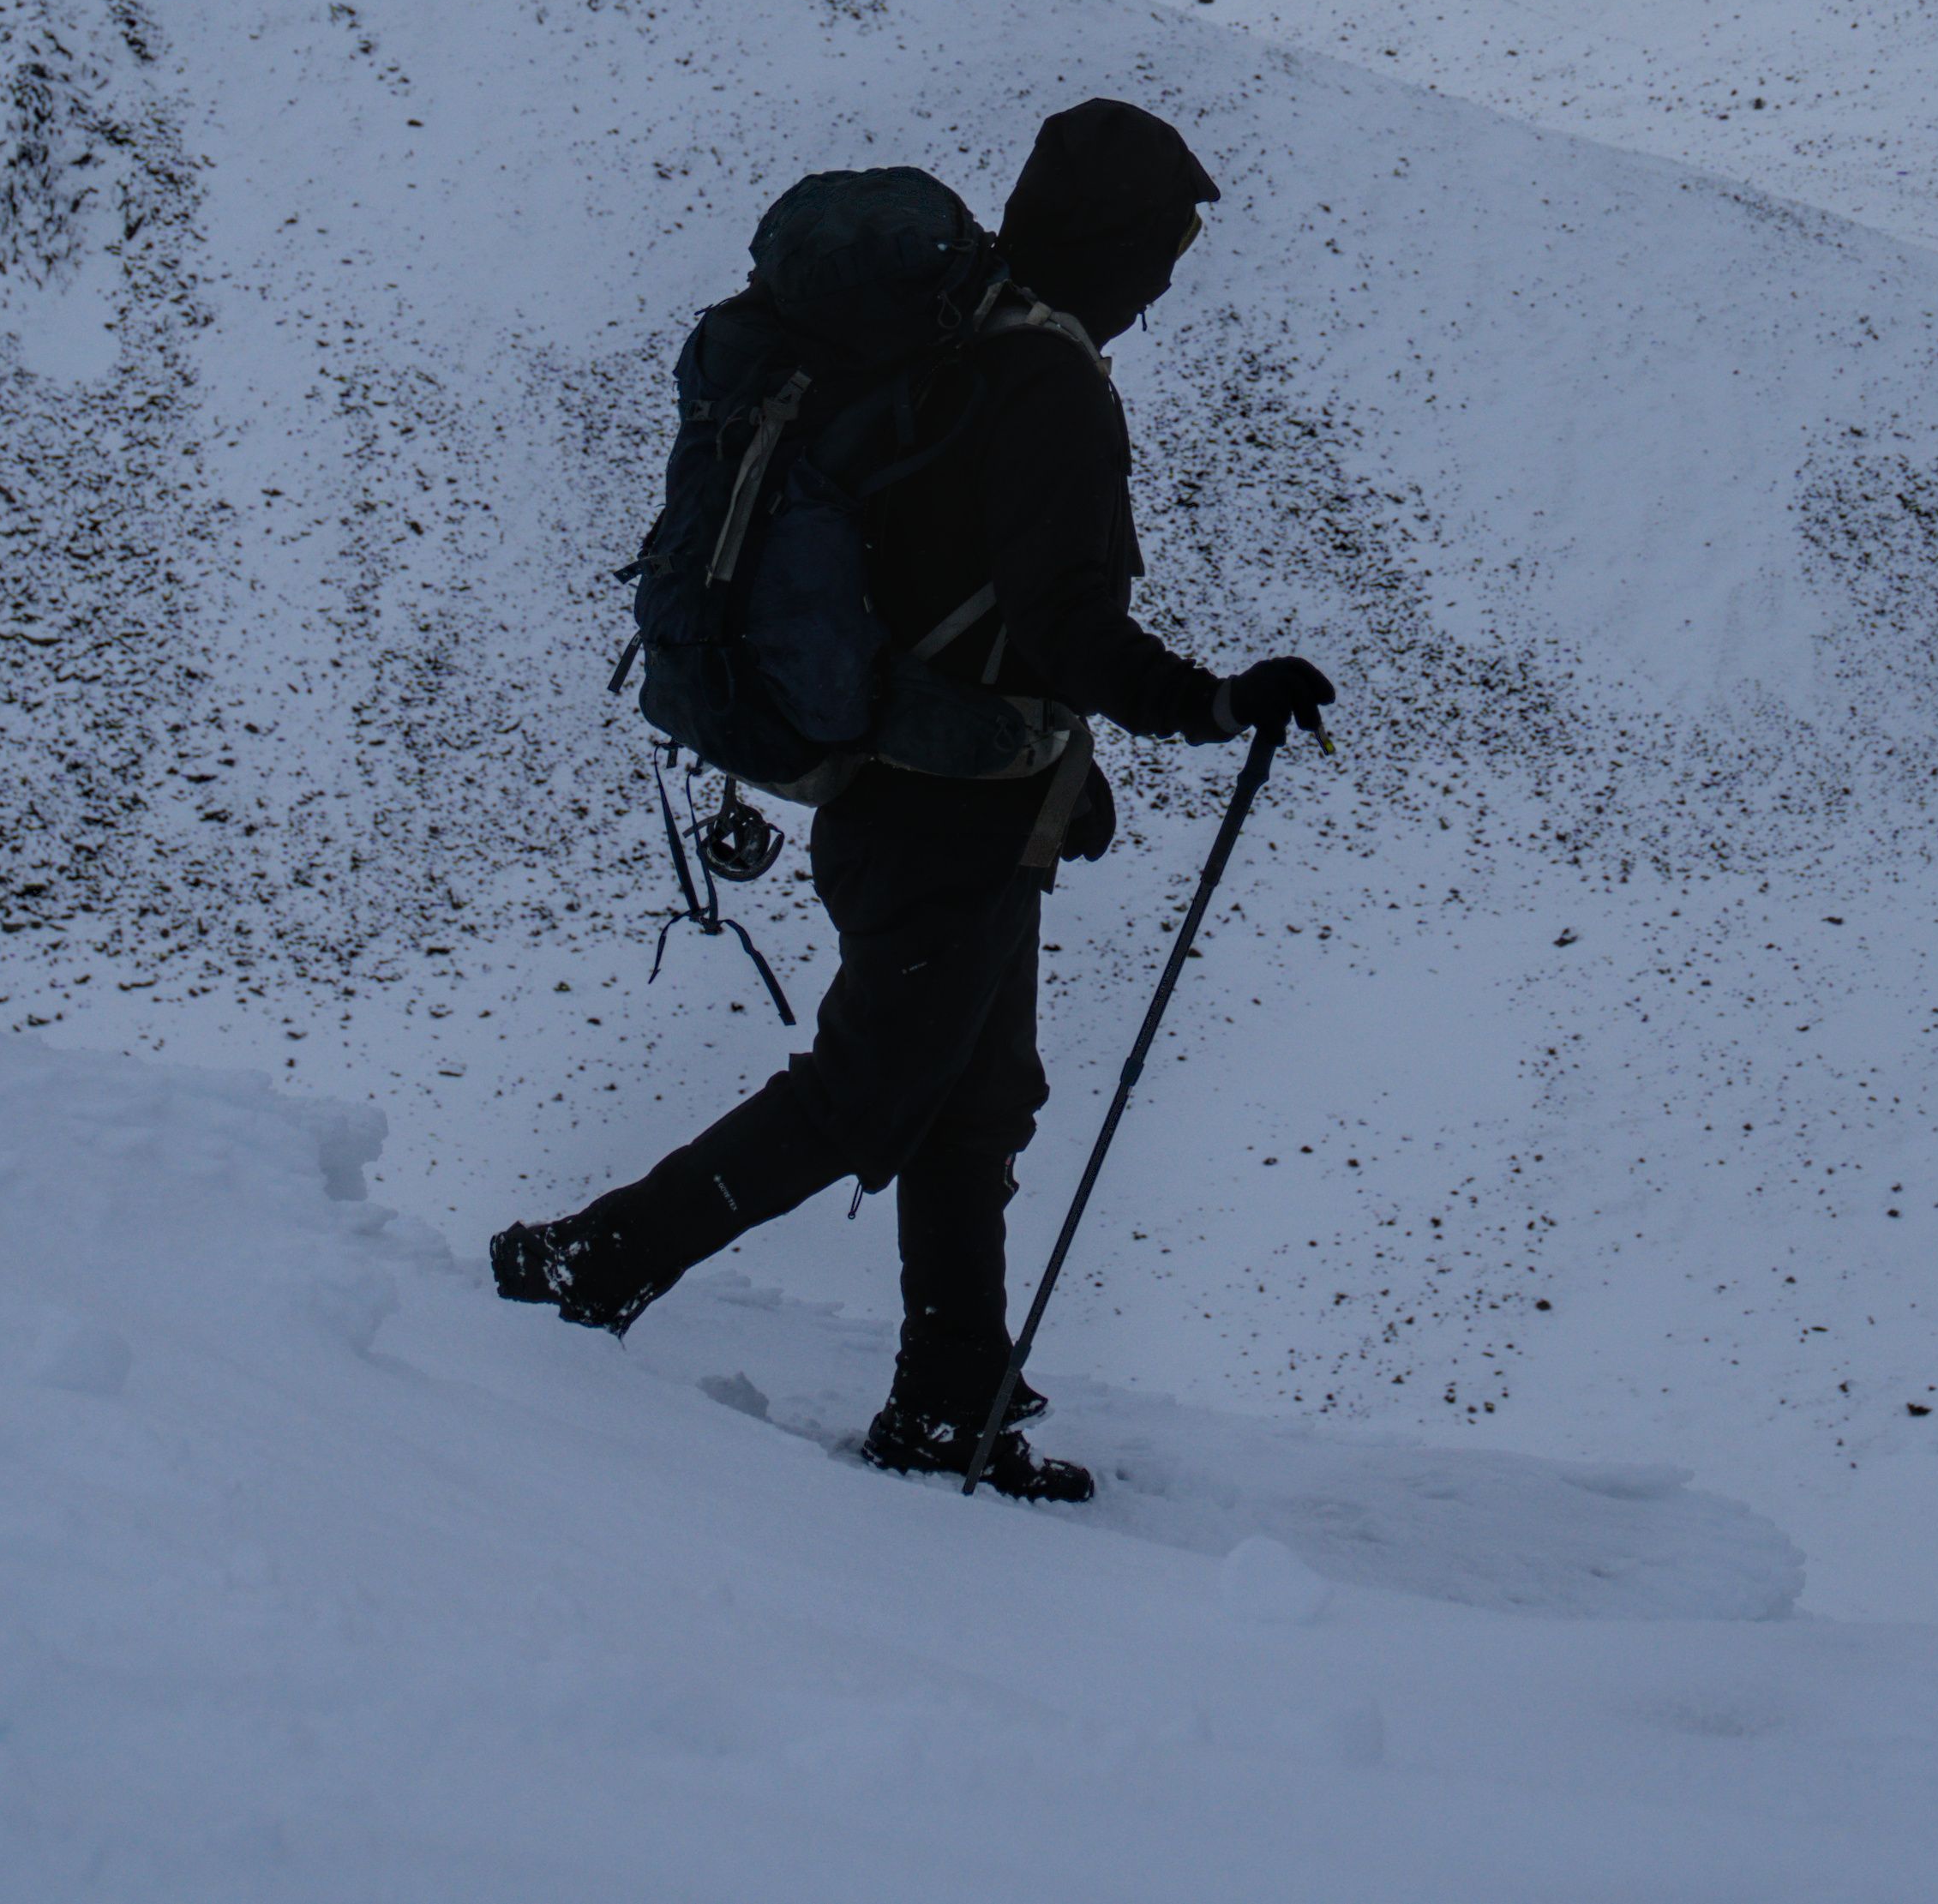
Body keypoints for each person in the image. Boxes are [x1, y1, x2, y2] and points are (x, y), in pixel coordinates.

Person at [490, 97, 1337, 1499]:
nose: (1162, 283)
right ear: (1112, 242)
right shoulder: (1042, 379)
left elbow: (968, 596)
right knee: (870, 1091)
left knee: (972, 1102)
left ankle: (949, 1407)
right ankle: (594, 1256)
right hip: (942, 806)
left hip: (928, 786)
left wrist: (1067, 761)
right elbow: (1063, 623)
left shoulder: (967, 348)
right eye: (1160, 250)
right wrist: (1211, 701)